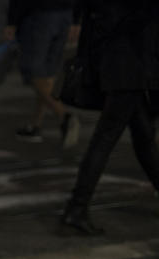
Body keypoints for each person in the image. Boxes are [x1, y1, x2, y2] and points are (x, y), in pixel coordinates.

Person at [61, 0, 159, 235]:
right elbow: (140, 22)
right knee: (104, 139)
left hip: (112, 64)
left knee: (142, 134)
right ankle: (77, 207)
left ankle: (77, 207)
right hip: (130, 68)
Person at [5, 0, 81, 147]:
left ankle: (65, 116)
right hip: (64, 14)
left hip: (40, 15)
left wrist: (12, 21)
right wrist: (76, 18)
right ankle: (36, 125)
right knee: (47, 74)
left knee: (33, 72)